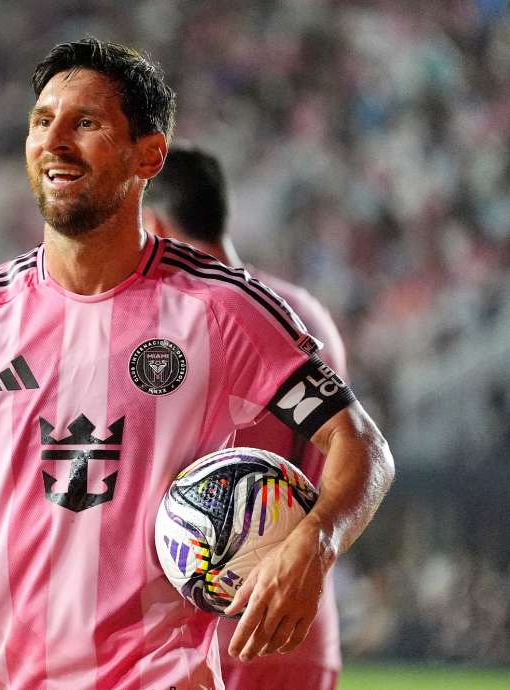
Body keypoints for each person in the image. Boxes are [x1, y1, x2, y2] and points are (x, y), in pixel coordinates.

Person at [0, 37, 394, 690]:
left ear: (148, 155)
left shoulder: (220, 310)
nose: (55, 140)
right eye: (42, 121)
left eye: (85, 123)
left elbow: (360, 446)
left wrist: (315, 544)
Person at [145, 146, 347, 689]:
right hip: (299, 616)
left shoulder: (179, 321)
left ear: (153, 222)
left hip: (204, 627)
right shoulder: (304, 312)